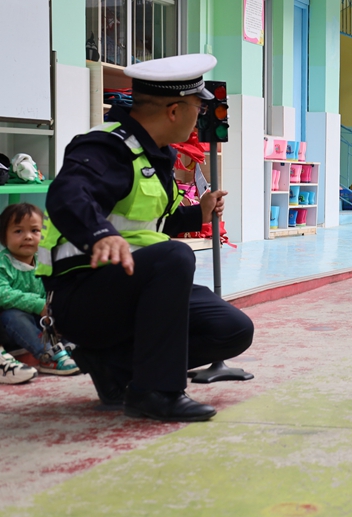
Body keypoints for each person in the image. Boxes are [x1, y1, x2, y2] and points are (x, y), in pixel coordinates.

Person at [39, 53, 255, 421]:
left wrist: (197, 213)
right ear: (174, 110)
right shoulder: (105, 146)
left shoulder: (156, 155)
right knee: (176, 256)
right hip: (84, 293)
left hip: (131, 286)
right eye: (197, 108)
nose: (200, 116)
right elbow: (67, 193)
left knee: (231, 330)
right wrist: (100, 236)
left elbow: (151, 226)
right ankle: (155, 391)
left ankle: (111, 365)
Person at [0, 203, 79, 375]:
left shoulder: (44, 260)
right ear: (3, 237)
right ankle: (48, 356)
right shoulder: (2, 264)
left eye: (35, 231)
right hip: (11, 330)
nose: (28, 237)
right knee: (12, 315)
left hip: (42, 324)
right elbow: (3, 294)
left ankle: (70, 348)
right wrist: (39, 305)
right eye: (18, 231)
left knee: (66, 304)